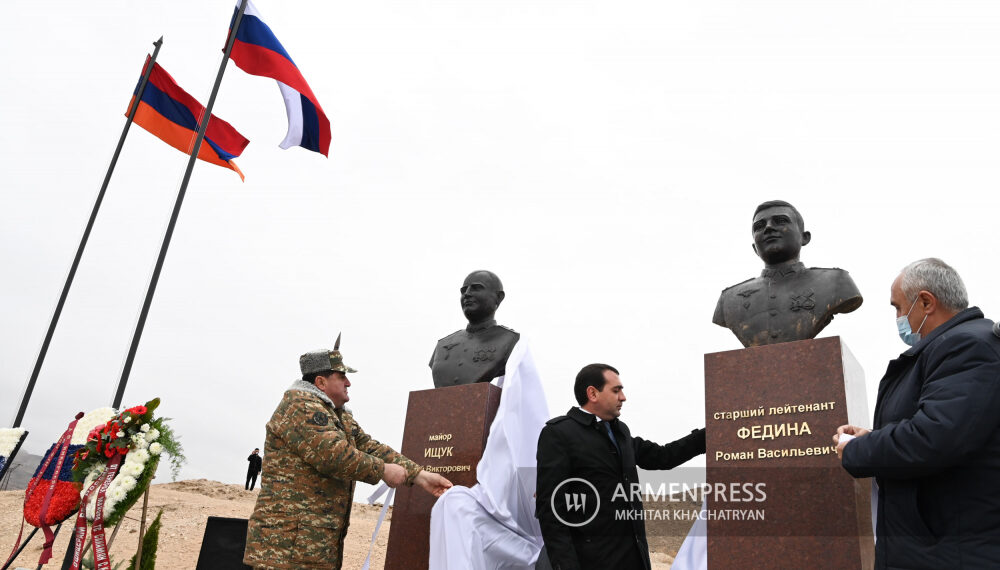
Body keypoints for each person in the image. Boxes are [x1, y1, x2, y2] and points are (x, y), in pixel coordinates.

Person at [834, 258, 1000, 568]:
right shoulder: (948, 348)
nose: (898, 318)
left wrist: (857, 450)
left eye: (898, 307)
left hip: (952, 553)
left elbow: (934, 437)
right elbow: (939, 425)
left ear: (925, 302)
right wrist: (874, 436)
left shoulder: (967, 346)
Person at [243, 335, 453, 570]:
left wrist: (420, 475)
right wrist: (382, 470)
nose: (348, 383)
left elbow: (368, 446)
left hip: (312, 547)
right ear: (321, 383)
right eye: (341, 377)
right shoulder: (300, 406)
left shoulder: (339, 416)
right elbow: (333, 455)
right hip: (284, 550)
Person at [535, 363, 706, 570]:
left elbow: (662, 456)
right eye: (616, 390)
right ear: (593, 393)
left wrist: (712, 433)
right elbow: (551, 511)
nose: (623, 397)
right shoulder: (559, 434)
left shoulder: (620, 433)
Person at [713, 200, 863, 347]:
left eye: (780, 221)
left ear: (805, 237)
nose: (769, 228)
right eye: (759, 226)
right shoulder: (728, 299)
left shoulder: (836, 281)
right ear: (754, 248)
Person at [430, 270, 520, 387]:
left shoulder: (511, 340)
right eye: (463, 291)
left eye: (476, 288)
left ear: (498, 297)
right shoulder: (442, 345)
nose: (467, 294)